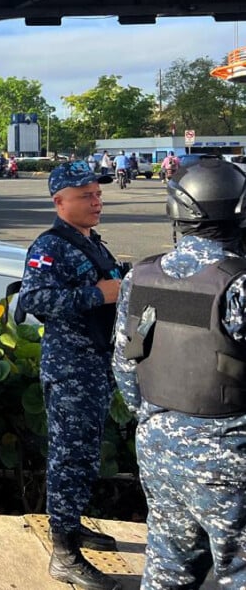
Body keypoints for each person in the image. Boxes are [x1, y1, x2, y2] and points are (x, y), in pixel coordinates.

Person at [112, 158, 246, 588]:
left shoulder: (142, 276)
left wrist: (161, 418)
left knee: (168, 569)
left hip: (158, 445)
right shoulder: (239, 283)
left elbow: (125, 366)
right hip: (230, 453)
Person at [15, 161, 126, 590]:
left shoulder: (91, 242)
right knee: (69, 456)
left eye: (98, 194)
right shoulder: (51, 245)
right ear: (59, 202)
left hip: (95, 365)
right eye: (86, 196)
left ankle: (72, 525)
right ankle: (63, 552)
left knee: (85, 454)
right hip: (71, 368)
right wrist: (98, 293)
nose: (96, 201)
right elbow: (37, 299)